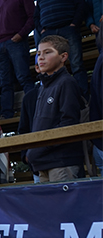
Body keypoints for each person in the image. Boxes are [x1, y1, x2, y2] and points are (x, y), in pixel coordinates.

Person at [25, 35, 85, 182]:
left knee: (64, 204)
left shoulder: (67, 83)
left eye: (48, 52)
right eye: (38, 53)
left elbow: (69, 124)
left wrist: (40, 147)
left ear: (63, 57)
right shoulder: (42, 88)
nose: (41, 57)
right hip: (42, 161)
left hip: (61, 162)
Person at [0, 0, 35, 119]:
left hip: (16, 42)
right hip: (0, 46)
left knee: (23, 77)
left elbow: (33, 16)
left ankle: (35, 108)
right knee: (5, 83)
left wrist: (21, 34)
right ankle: (7, 113)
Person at [35, 0, 88, 97]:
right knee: (50, 69)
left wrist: (74, 23)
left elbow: (81, 4)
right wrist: (41, 29)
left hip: (68, 28)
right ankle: (53, 99)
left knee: (77, 65)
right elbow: (36, 14)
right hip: (49, 31)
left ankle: (83, 101)